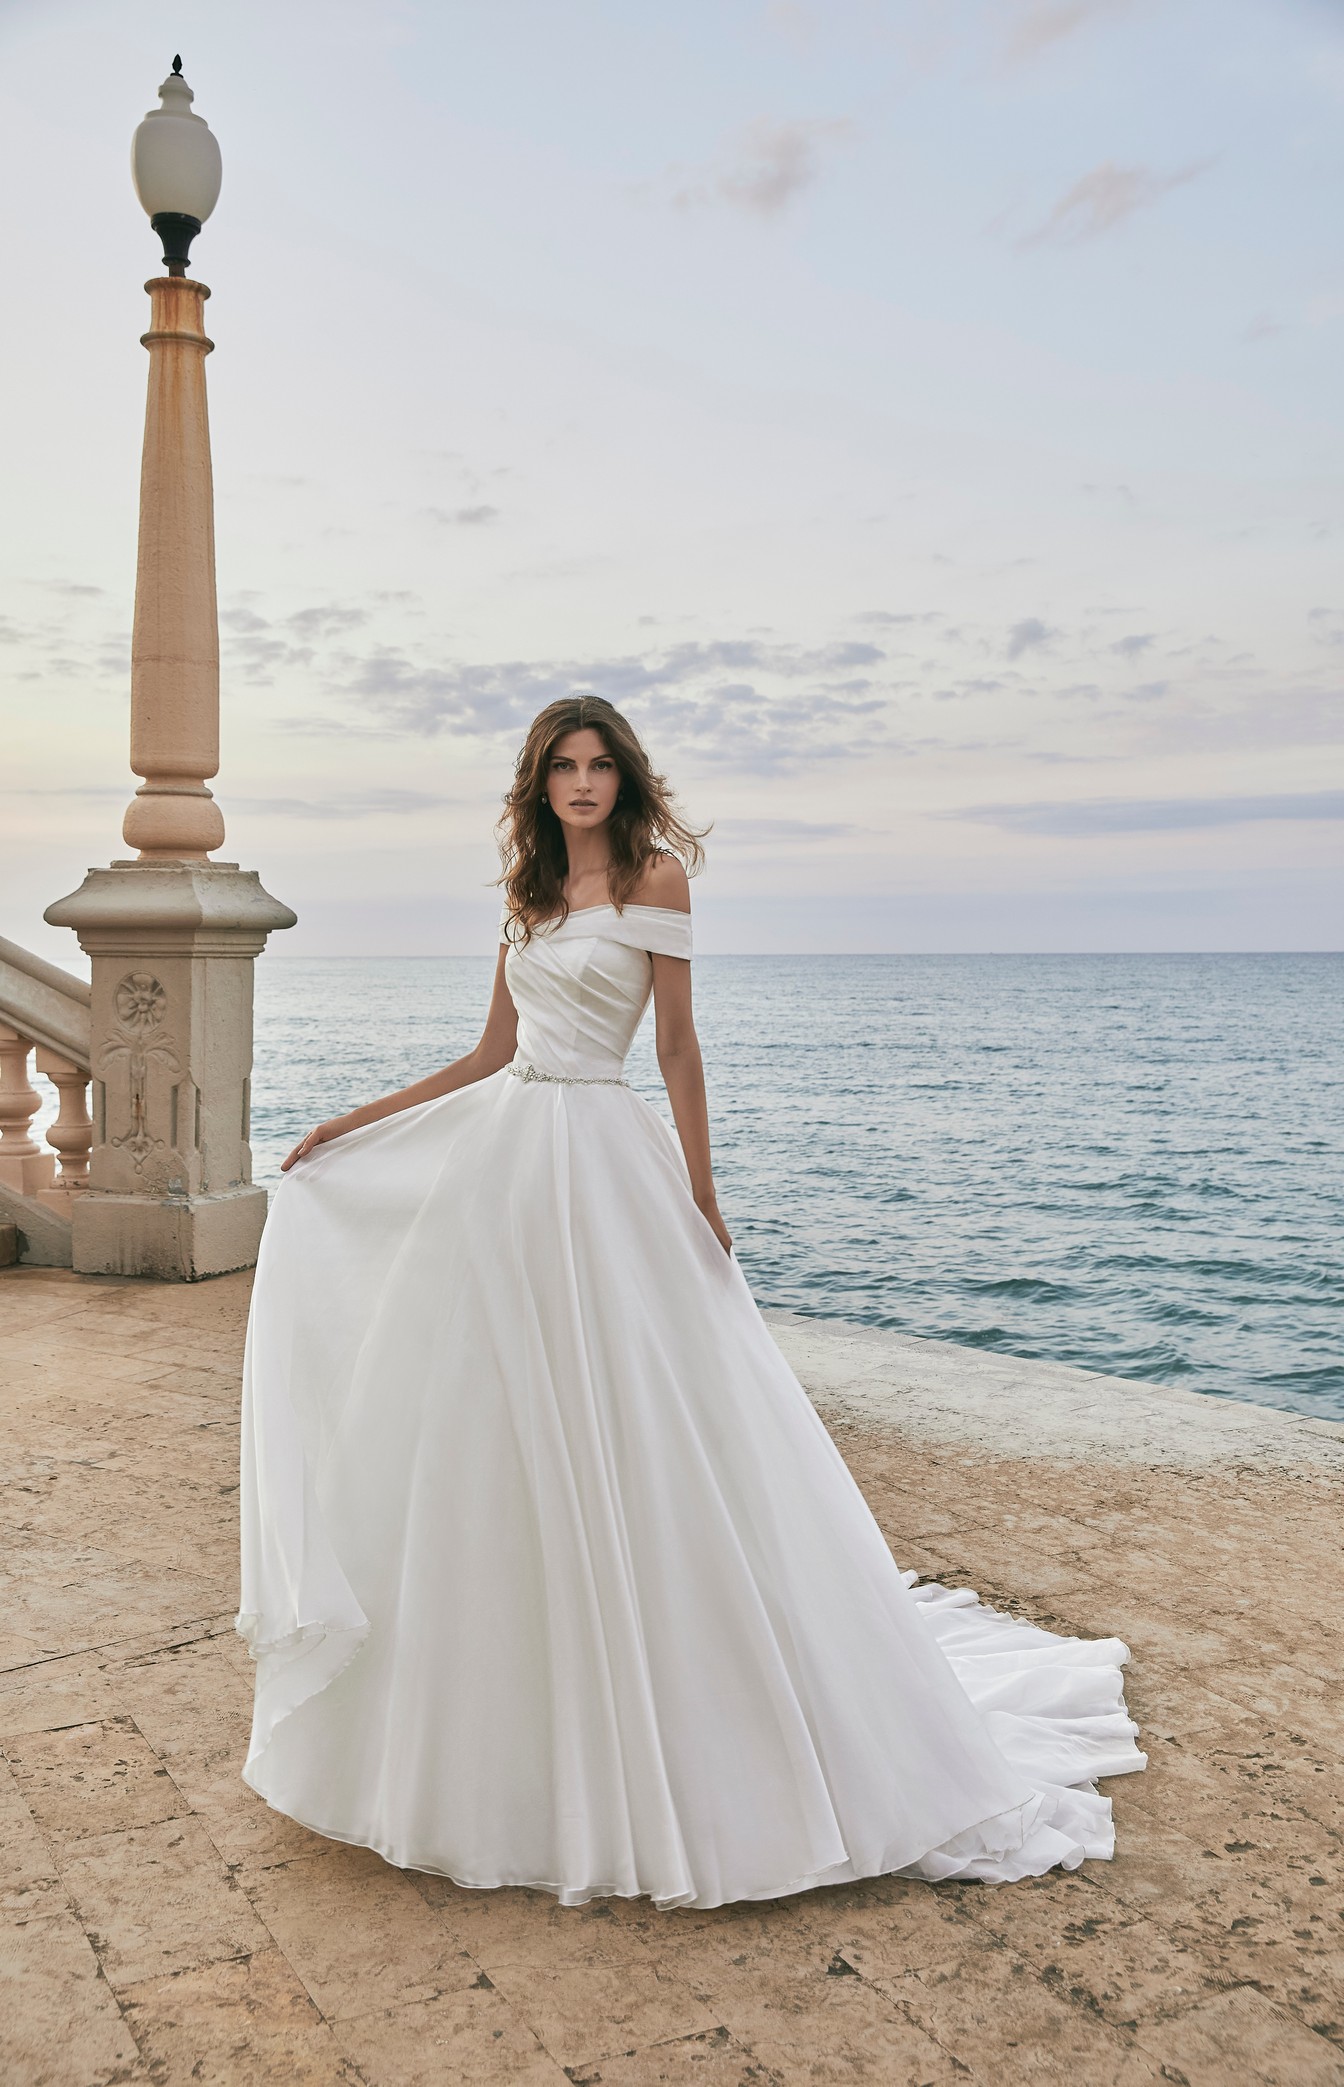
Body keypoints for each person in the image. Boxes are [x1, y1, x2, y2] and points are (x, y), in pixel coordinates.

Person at [237, 693, 1144, 1908]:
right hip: (509, 1168)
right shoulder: (529, 892)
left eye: (598, 763)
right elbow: (488, 1055)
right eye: (562, 765)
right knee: (497, 1422)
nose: (581, 782)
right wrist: (352, 1121)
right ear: (537, 782)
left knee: (644, 1418)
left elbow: (675, 1048)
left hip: (605, 1163)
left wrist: (704, 1196)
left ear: (625, 776)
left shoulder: (659, 881)